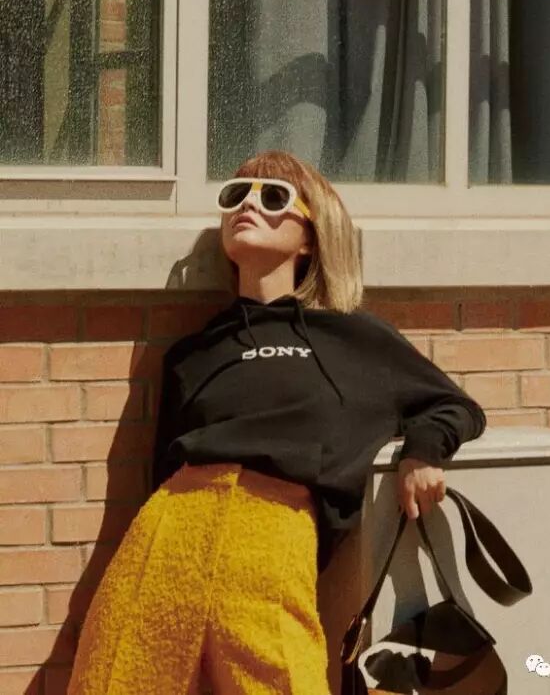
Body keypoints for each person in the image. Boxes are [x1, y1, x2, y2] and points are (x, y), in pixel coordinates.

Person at [67, 150, 486, 695]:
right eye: (235, 195)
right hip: (167, 535)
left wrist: (421, 454)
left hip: (273, 538)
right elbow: (160, 470)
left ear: (310, 236)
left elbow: (453, 405)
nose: (248, 205)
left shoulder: (353, 338)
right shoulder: (193, 352)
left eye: (273, 197)